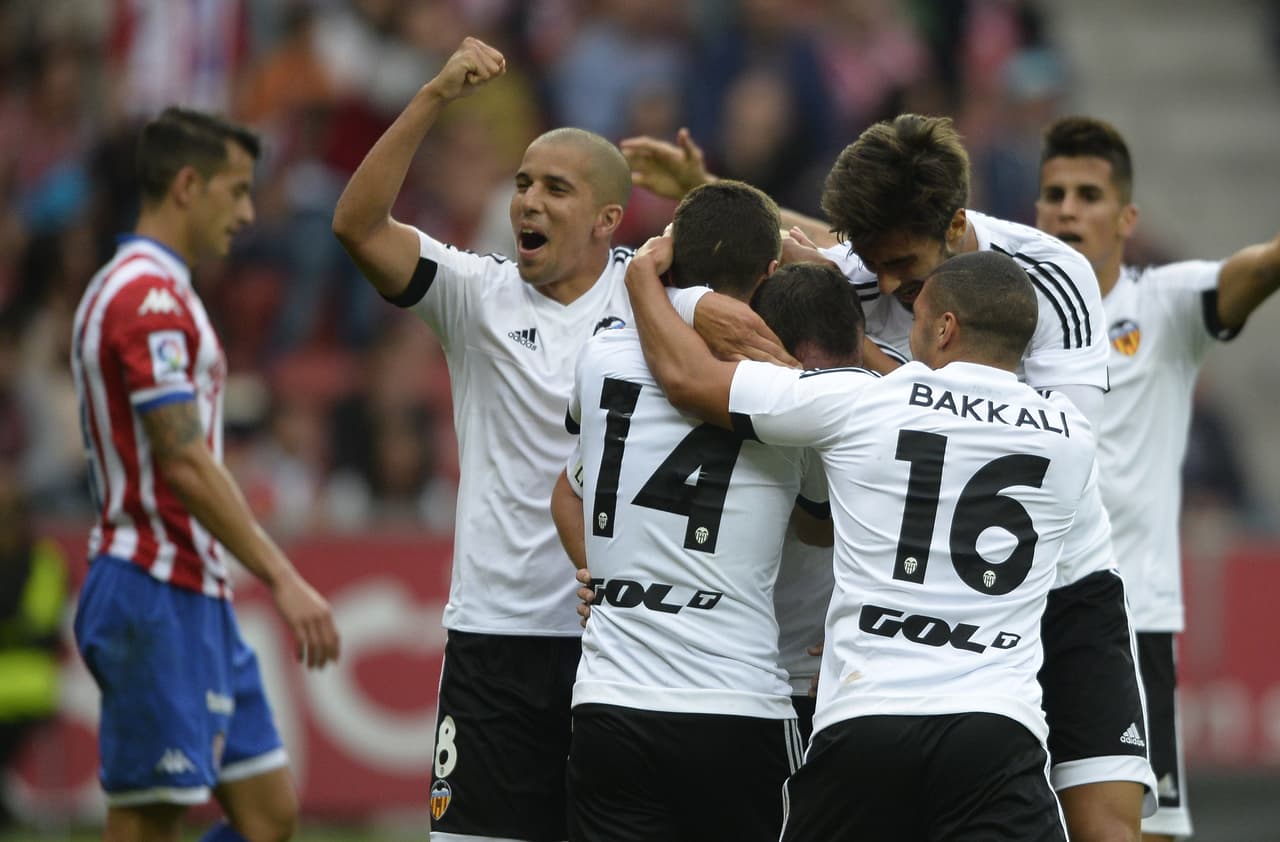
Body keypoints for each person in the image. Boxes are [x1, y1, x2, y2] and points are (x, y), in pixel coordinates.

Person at [624, 114, 1155, 840]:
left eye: (905, 265)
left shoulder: (1050, 276)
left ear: (957, 226)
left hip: (1063, 581)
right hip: (919, 603)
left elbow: (1060, 443)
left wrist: (880, 375)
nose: (889, 285)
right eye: (871, 264)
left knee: (1106, 826)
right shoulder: (852, 274)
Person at [331, 37, 775, 842]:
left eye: (556, 188)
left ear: (609, 218)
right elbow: (357, 225)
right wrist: (433, 96)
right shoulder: (475, 295)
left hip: (613, 645)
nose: (529, 201)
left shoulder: (658, 298)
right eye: (524, 183)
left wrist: (706, 192)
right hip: (494, 636)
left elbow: (777, 259)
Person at [553, 181, 860, 842]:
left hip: (611, 701)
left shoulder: (601, 354)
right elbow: (817, 524)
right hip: (735, 702)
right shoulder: (786, 390)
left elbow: (570, 485)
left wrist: (603, 569)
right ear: (770, 273)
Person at [70, 107, 340, 842]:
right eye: (237, 190)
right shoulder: (145, 296)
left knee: (266, 817)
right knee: (148, 820)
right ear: (188, 185)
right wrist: (283, 577)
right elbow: (183, 459)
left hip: (196, 589)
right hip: (150, 586)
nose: (249, 212)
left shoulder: (169, 292)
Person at [1036, 115, 1280, 842]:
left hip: (1130, 619)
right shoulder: (1002, 312)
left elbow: (1261, 267)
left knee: (1145, 832)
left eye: (1088, 193)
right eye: (1054, 194)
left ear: (1126, 217)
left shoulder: (1165, 304)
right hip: (1016, 620)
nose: (1069, 209)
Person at [0, 466, 67, 829]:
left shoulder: (42, 559)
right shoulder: (45, 558)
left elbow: (38, 625)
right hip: (31, 677)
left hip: (25, 681)